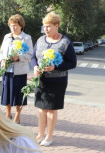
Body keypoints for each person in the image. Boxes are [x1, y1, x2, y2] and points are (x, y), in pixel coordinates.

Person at [31, 12, 76, 146]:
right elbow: (33, 57)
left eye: (49, 26)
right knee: (40, 108)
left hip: (57, 81)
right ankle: (40, 134)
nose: (46, 29)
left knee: (51, 109)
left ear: (57, 26)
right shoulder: (40, 40)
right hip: (41, 80)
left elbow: (72, 63)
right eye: (44, 26)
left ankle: (49, 137)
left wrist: (55, 67)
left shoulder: (65, 42)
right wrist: (34, 67)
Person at [0, 14, 33, 124]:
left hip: (19, 73)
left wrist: (18, 58)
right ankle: (8, 115)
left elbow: (29, 55)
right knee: (6, 95)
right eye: (11, 25)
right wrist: (2, 60)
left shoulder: (26, 38)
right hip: (7, 71)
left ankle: (17, 117)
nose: (13, 28)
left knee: (19, 96)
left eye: (16, 25)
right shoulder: (7, 37)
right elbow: (1, 52)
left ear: (21, 26)